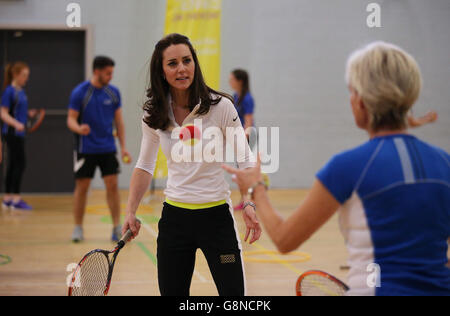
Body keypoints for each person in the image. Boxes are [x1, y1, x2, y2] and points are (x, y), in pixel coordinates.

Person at [223, 42, 450, 296]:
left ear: (362, 101)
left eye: (351, 91)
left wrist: (255, 188)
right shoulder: (444, 163)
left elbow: (285, 239)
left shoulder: (348, 167)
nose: (350, 98)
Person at [122, 33, 261, 296]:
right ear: (162, 71)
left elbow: (245, 158)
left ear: (195, 64)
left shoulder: (221, 107)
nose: (182, 68)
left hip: (217, 218)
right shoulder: (154, 113)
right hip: (175, 220)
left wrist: (249, 202)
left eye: (187, 60)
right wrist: (131, 210)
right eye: (172, 63)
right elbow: (144, 165)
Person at [67, 56, 131, 243]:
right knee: (82, 187)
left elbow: (119, 121)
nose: (111, 76)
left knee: (112, 186)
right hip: (85, 148)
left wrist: (123, 147)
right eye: (108, 73)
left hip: (107, 148)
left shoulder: (113, 93)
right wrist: (79, 128)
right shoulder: (80, 92)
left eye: (112, 73)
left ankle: (116, 227)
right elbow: (70, 119)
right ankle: (78, 228)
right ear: (97, 71)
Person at [1, 62, 35, 211]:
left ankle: (7, 198)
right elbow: (3, 113)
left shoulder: (21, 91)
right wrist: (16, 124)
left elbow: (17, 111)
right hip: (12, 133)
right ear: (15, 75)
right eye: (24, 76)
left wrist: (28, 114)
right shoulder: (9, 91)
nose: (26, 79)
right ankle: (16, 199)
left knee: (14, 164)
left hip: (18, 132)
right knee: (20, 164)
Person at [229, 69, 257, 210]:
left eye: (232, 79)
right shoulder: (235, 96)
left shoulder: (247, 98)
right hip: (238, 136)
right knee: (241, 170)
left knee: (244, 169)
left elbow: (248, 121)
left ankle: (250, 199)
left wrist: (243, 139)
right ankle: (245, 199)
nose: (229, 81)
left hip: (247, 136)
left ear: (240, 81)